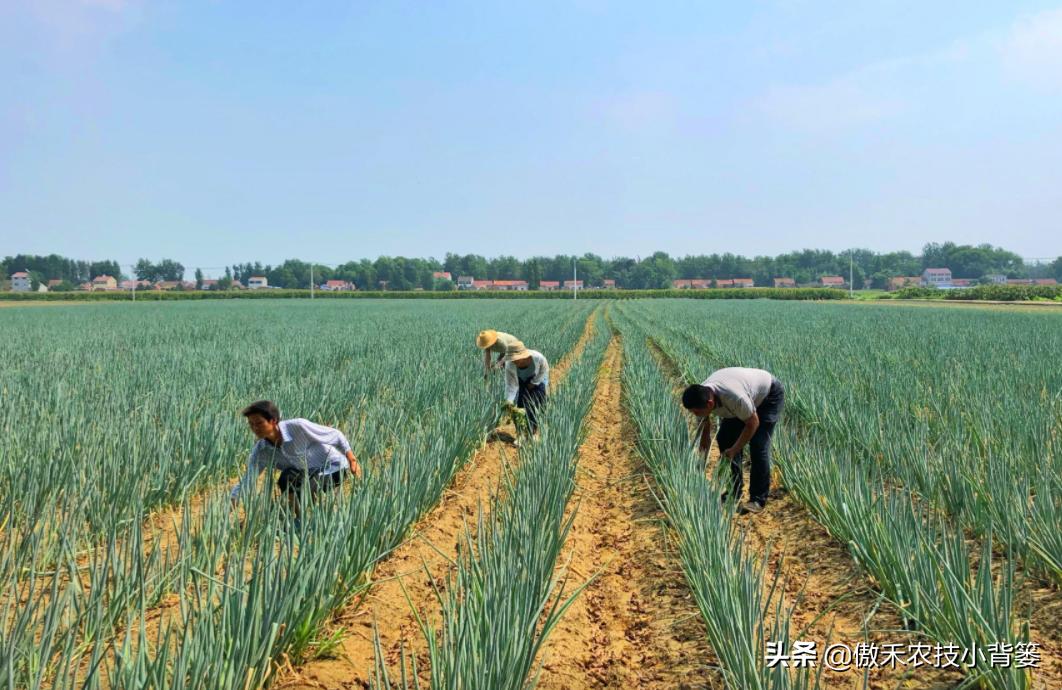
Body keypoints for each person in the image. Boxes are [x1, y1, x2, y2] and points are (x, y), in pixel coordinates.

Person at [230, 400, 363, 520]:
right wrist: (230, 505)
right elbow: (248, 480)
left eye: (259, 423)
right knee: (287, 478)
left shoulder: (298, 426)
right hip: (307, 473)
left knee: (300, 486)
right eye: (251, 424)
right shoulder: (261, 450)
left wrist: (352, 460)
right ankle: (301, 518)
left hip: (333, 468)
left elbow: (336, 435)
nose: (255, 428)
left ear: (273, 420)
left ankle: (323, 514)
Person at [681, 368, 785, 515]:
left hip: (768, 396)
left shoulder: (734, 398)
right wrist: (701, 462)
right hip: (743, 399)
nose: (695, 415)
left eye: (697, 412)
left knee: (758, 445)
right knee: (724, 438)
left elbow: (753, 423)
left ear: (710, 404)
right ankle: (734, 490)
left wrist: (735, 449)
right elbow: (705, 435)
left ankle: (757, 499)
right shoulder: (701, 398)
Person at [504, 347, 549, 437]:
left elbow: (544, 370)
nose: (514, 362)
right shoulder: (509, 365)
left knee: (536, 405)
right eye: (512, 359)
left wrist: (534, 382)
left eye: (516, 359)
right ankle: (521, 434)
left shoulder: (538, 357)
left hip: (538, 379)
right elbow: (511, 385)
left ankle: (533, 432)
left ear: (523, 356)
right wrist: (509, 401)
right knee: (520, 407)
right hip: (521, 381)